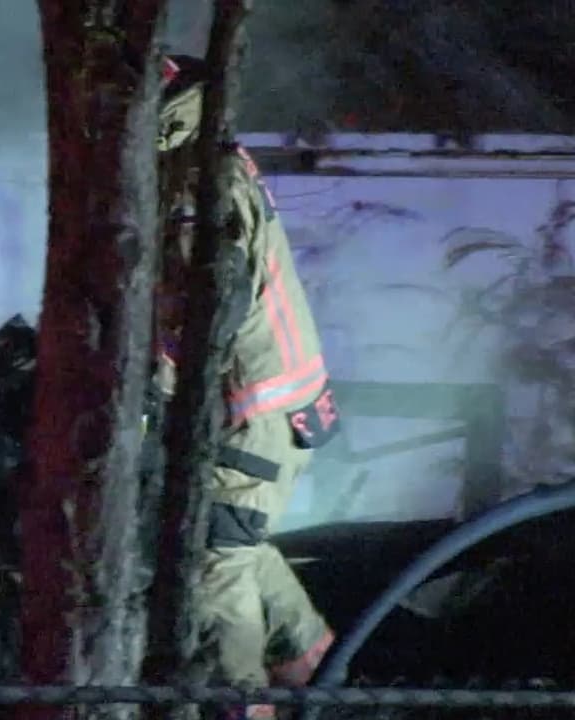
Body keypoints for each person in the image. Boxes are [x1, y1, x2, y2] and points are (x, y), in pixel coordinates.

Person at [153, 55, 340, 720]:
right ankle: (330, 681)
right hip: (270, 411)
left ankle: (246, 707)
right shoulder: (208, 164)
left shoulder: (192, 186)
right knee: (240, 548)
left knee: (216, 572)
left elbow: (194, 319)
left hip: (245, 416)